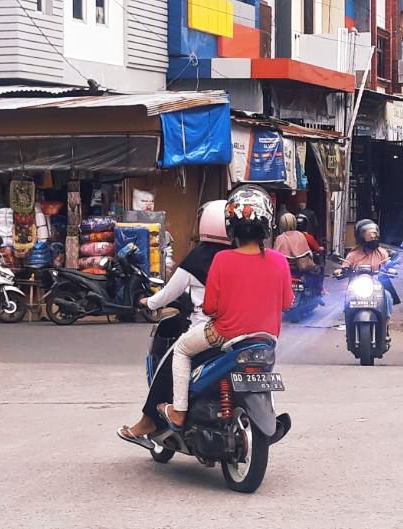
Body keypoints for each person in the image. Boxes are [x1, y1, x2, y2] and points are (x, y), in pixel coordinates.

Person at [159, 186, 293, 430]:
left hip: (226, 334)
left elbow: (210, 307)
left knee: (181, 350)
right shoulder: (280, 261)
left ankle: (178, 411)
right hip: (266, 338)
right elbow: (287, 303)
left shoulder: (222, 259)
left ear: (232, 226)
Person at [119, 200, 230, 444]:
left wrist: (148, 303)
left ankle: (153, 419)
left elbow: (169, 293)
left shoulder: (198, 258)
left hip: (207, 330)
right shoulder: (239, 255)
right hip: (242, 331)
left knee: (170, 362)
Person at [334, 219, 400, 308]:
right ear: (361, 238)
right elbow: (344, 267)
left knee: (387, 296)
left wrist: (390, 269)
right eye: (370, 237)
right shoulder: (353, 254)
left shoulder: (382, 252)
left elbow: (387, 264)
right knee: (347, 301)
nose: (373, 239)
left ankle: (385, 320)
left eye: (374, 237)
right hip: (357, 286)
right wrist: (339, 271)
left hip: (378, 286)